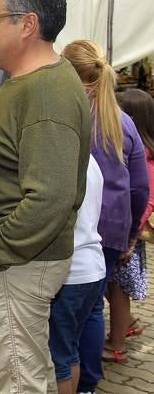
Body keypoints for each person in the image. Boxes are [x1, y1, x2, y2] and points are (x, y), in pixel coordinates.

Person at [0, 0, 92, 394]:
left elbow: (51, 196)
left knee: (17, 381)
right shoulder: (31, 84)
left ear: (27, 24)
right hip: (20, 263)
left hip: (16, 266)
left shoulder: (45, 92)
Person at [58, 41, 149, 393]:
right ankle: (89, 383)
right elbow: (139, 187)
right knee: (94, 308)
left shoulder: (72, 119)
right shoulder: (124, 122)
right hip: (113, 231)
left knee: (73, 316)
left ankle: (72, 374)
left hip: (75, 234)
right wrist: (130, 233)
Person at [47, 154, 105, 394]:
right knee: (70, 352)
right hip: (93, 267)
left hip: (72, 273)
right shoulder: (91, 159)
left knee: (59, 357)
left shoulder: (64, 159)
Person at [113, 88, 154, 343]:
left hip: (129, 236)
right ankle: (127, 323)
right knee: (113, 287)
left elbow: (146, 200)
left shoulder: (146, 160)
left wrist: (130, 239)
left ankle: (118, 341)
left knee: (117, 290)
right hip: (125, 233)